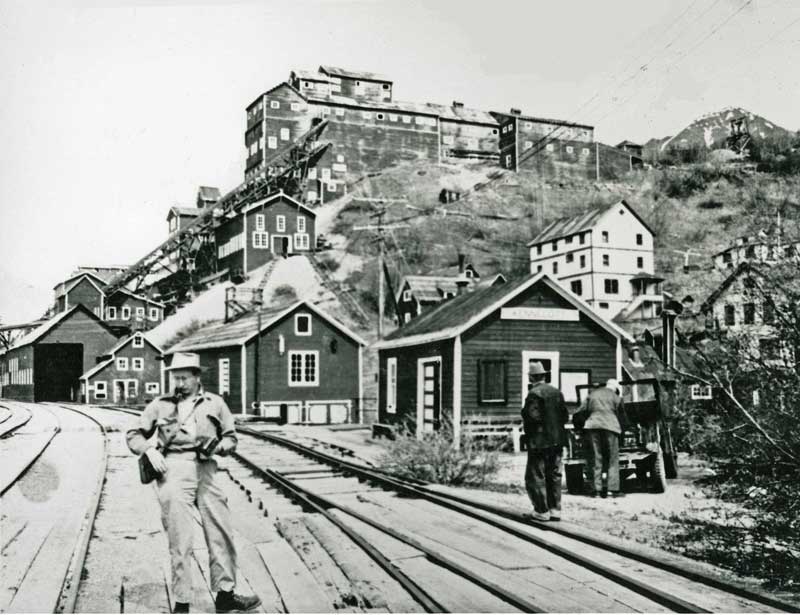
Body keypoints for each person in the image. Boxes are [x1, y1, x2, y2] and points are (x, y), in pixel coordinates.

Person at [127, 352, 261, 614]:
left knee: (221, 532)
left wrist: (219, 448)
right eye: (175, 378)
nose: (178, 383)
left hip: (207, 470)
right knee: (180, 538)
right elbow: (133, 434)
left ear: (197, 377)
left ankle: (225, 597)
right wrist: (149, 450)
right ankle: (182, 602)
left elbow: (232, 438)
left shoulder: (215, 403)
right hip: (174, 470)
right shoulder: (160, 405)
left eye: (184, 378)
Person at [521, 362, 569, 521]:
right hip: (557, 440)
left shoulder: (534, 394)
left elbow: (532, 416)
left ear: (531, 377)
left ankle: (541, 510)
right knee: (554, 474)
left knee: (536, 475)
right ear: (544, 375)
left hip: (539, 441)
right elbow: (565, 416)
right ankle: (555, 509)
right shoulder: (556, 392)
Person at [579, 378, 625, 498]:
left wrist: (582, 427)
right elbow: (622, 416)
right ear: (615, 389)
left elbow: (581, 411)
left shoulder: (592, 394)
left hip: (592, 426)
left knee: (596, 457)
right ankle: (611, 490)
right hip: (611, 427)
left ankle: (597, 490)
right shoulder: (616, 398)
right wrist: (623, 432)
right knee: (612, 459)